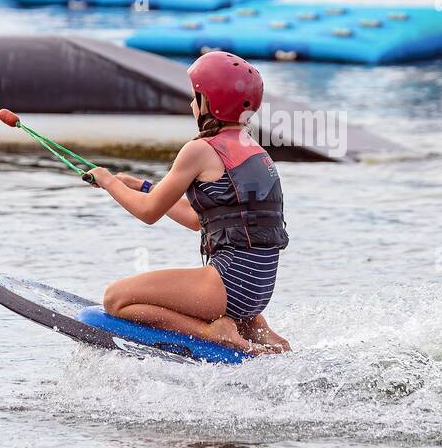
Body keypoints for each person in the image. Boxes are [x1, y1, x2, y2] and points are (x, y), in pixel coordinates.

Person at [87, 51, 291, 355]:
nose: (191, 104)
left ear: (211, 102)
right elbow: (200, 218)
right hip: (257, 289)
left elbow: (148, 212)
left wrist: (108, 181)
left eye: (196, 97)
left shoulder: (199, 149)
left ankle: (213, 329)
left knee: (116, 299)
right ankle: (262, 333)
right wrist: (143, 186)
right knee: (140, 296)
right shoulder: (255, 150)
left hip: (229, 282)